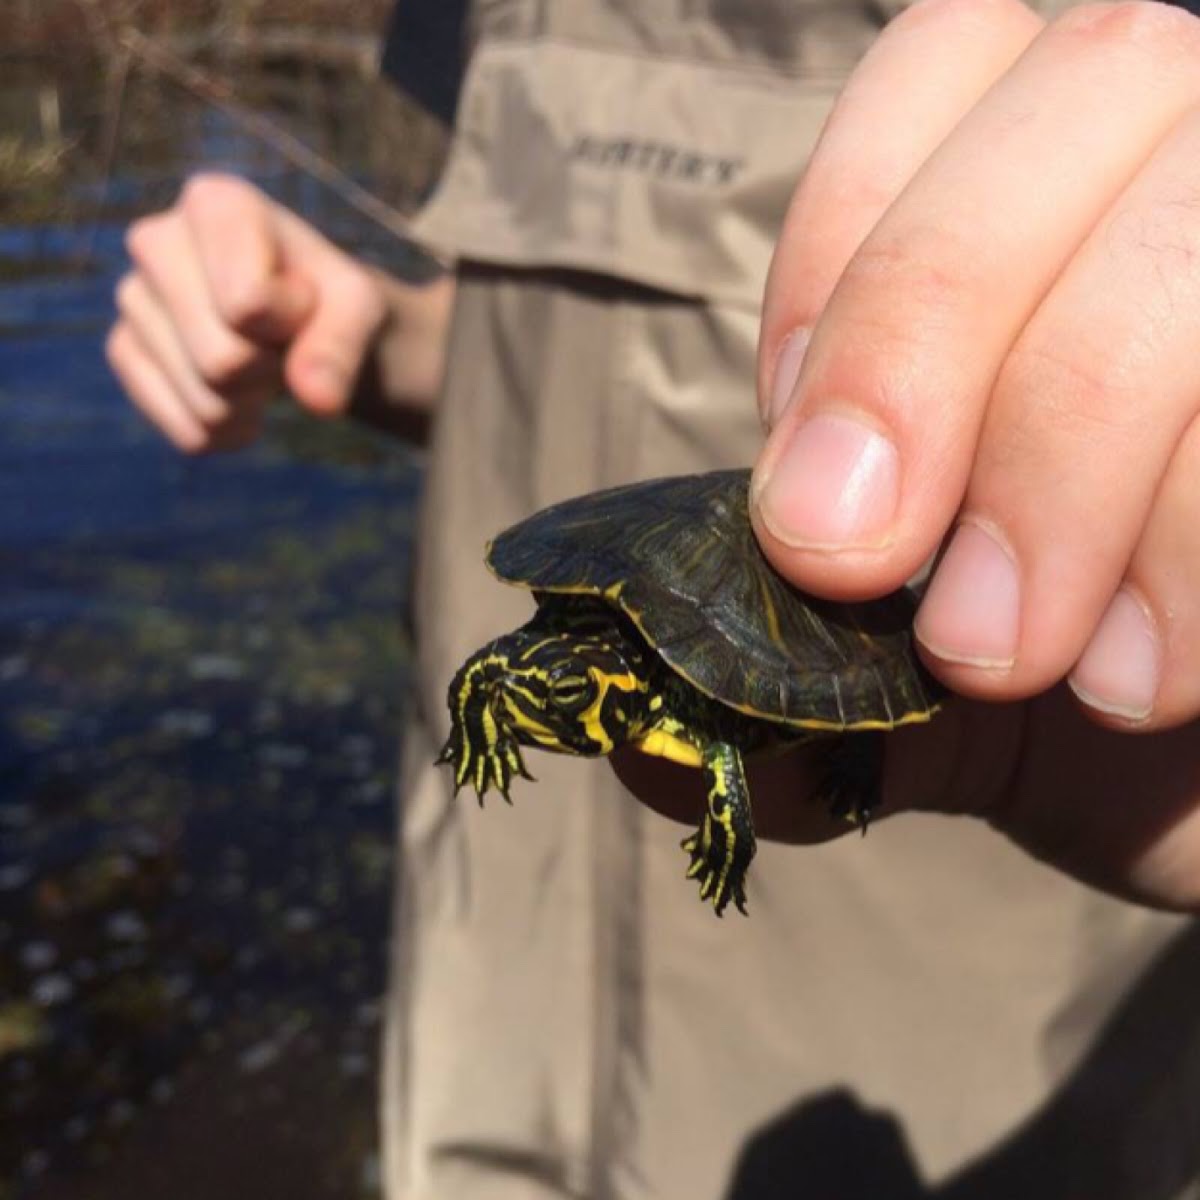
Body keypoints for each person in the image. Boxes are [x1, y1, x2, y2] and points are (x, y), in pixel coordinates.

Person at [107, 0, 1200, 1196]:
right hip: (490, 1039)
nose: (530, 674)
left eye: (544, 677)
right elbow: (530, 331)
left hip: (949, 1088)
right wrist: (381, 337)